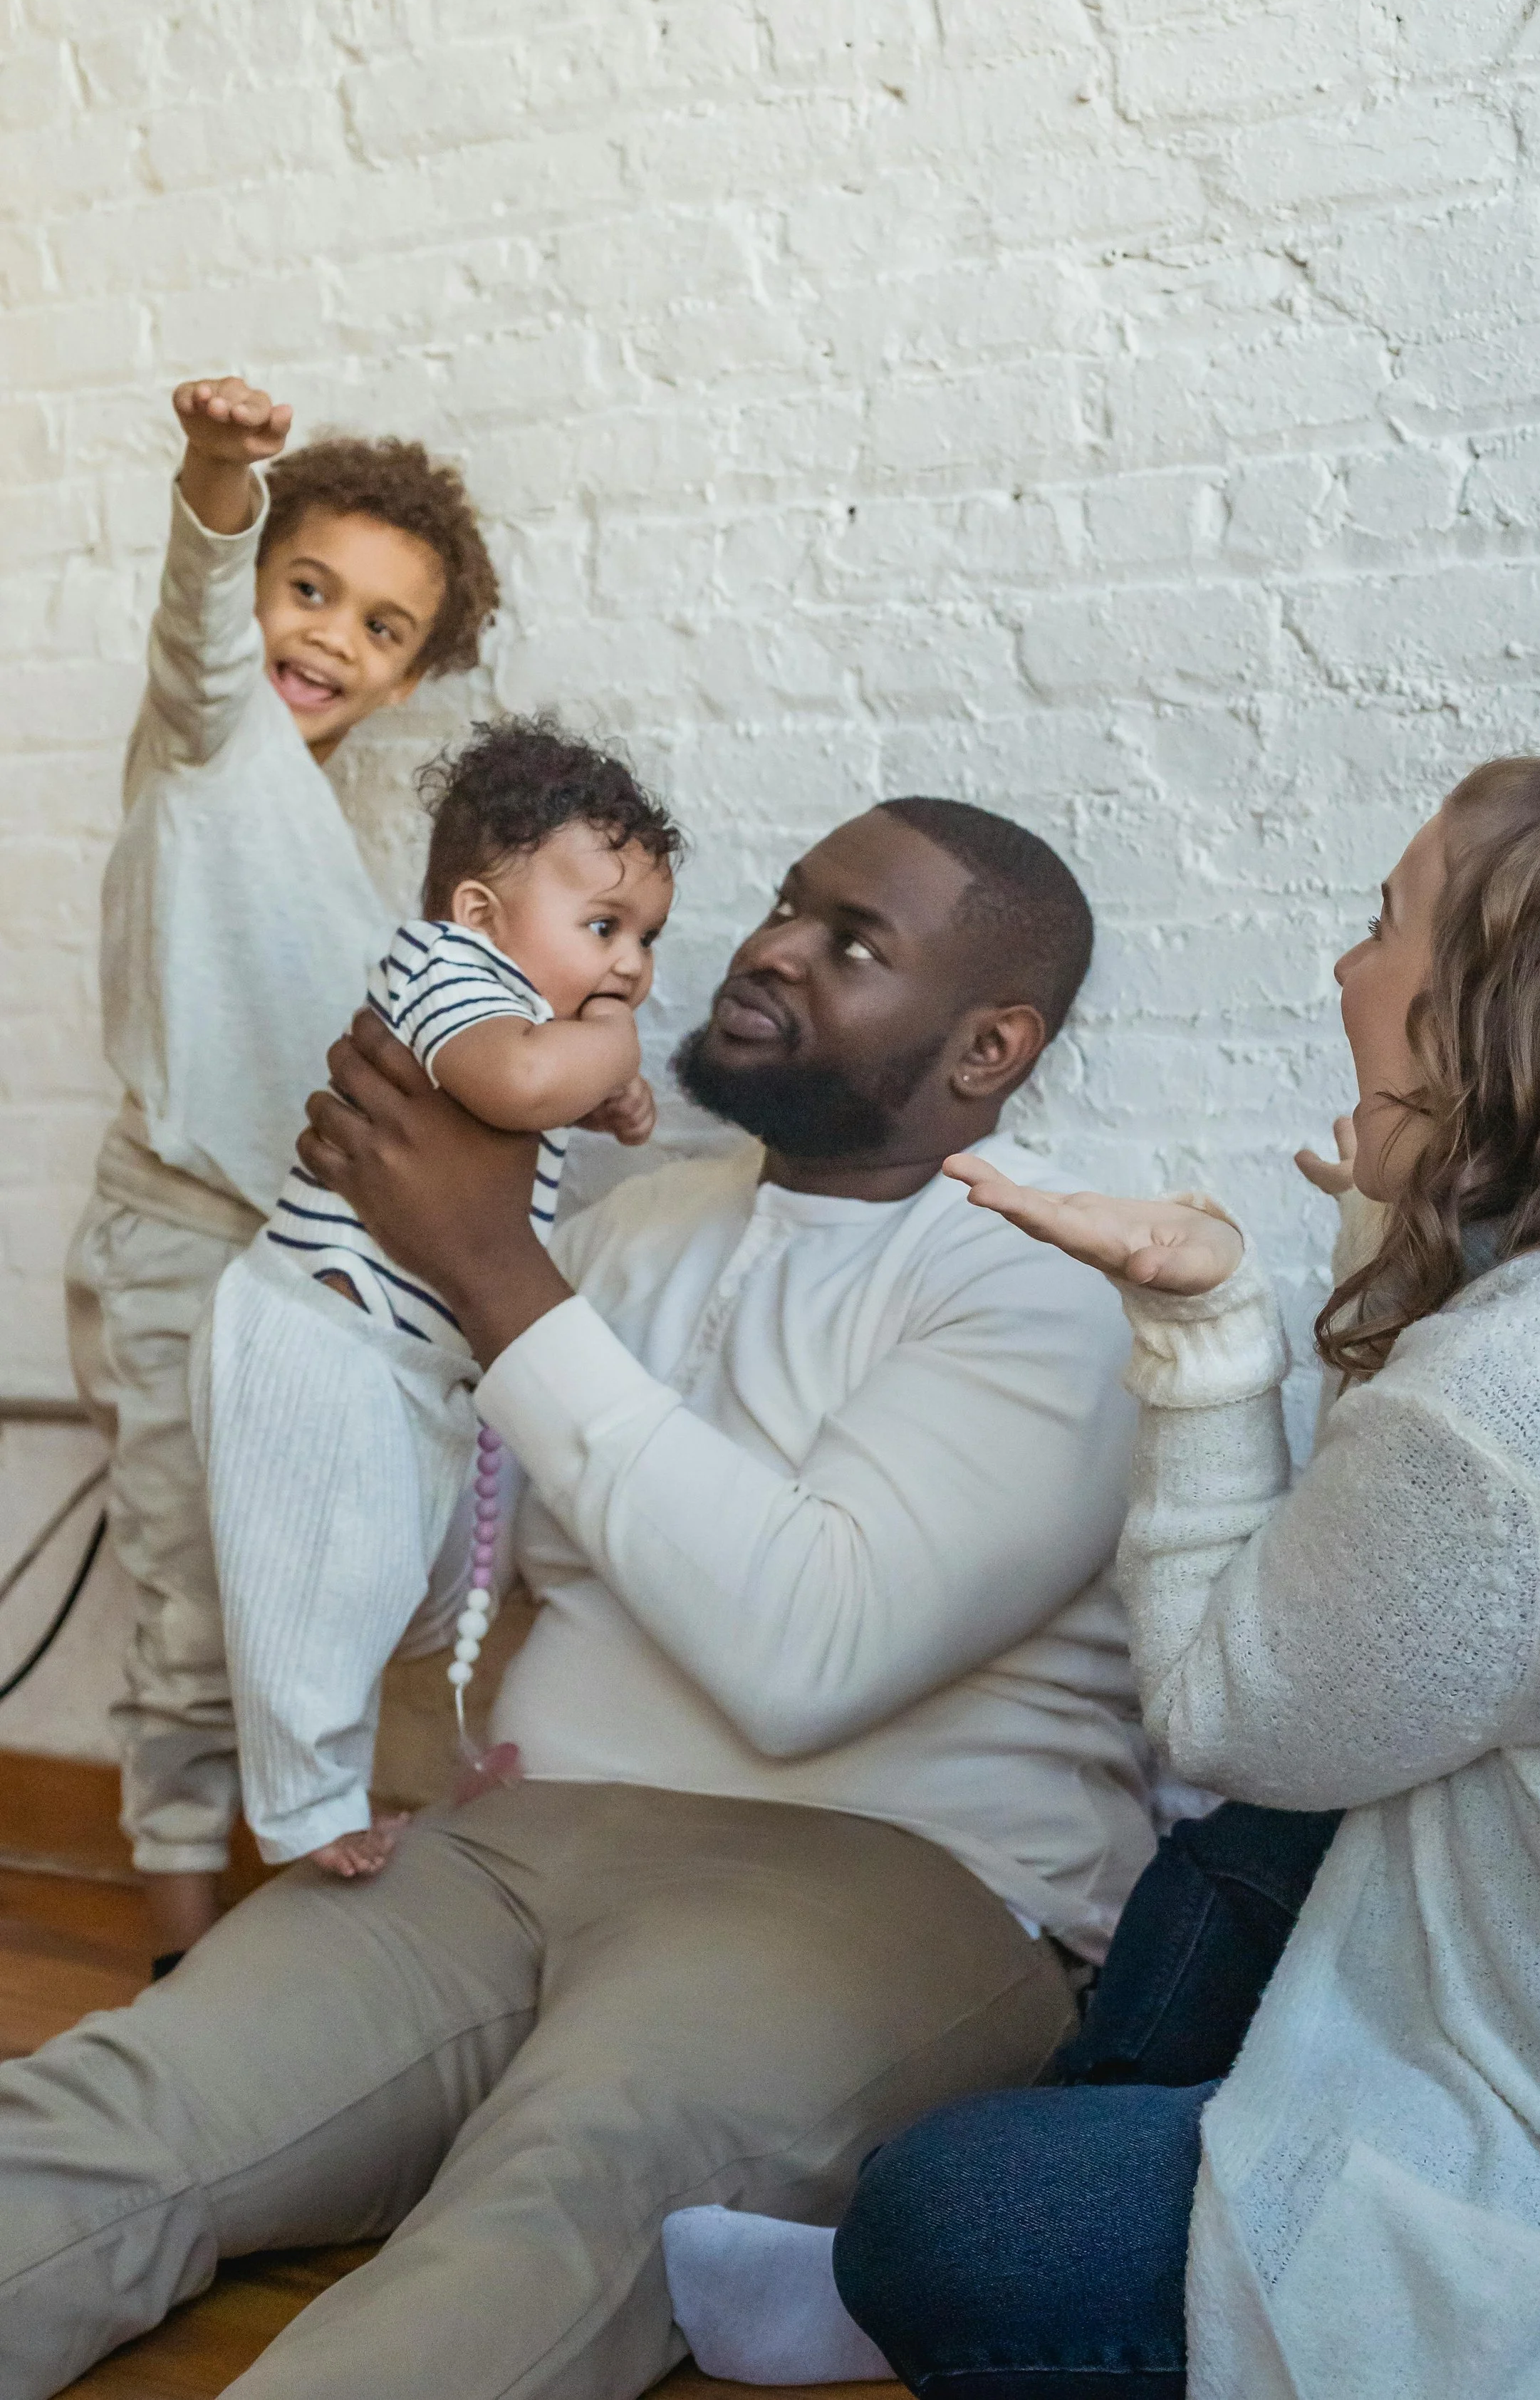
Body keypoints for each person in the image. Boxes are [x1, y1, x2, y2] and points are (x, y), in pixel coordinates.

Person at [0, 797, 1156, 2400]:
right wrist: (343, 1314)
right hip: (516, 1846)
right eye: (784, 903)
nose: (766, 948)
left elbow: (806, 1655)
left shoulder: (1048, 1282)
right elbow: (432, 1591)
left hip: (897, 1881)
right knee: (114, 2106)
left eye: (851, 941)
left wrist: (485, 1268)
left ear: (987, 1047)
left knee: (549, 2203)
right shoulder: (628, 1226)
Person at [833, 731, 1540, 2400]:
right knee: (1274, 1837)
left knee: (940, 2220)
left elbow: (1219, 1704)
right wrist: (1400, 1242)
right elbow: (1389, 1618)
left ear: (1484, 1008)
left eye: (1382, 920)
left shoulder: (1523, 1388)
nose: (1342, 963)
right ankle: (1119, 2173)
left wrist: (1203, 1326)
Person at [65, 374, 498, 1968]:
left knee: (327, 1597)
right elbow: (197, 644)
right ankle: (178, 1957)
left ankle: (298, 1953)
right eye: (305, 589)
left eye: (382, 628)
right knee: (191, 1619)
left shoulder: (333, 850)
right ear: (251, 590)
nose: (330, 638)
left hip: (298, 1273)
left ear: (409, 677)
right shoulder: (205, 742)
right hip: (179, 1249)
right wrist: (216, 480)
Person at [195, 717, 677, 1879]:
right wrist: (608, 1053)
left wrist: (594, 1078)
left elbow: (536, 1078)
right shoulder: (442, 969)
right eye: (604, 927)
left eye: (647, 938)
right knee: (319, 1583)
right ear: (477, 914)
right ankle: (308, 1811)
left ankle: (348, 1772)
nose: (629, 968)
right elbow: (515, 1081)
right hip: (324, 1335)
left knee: (398, 1584)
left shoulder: (529, 1011)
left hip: (411, 1359)